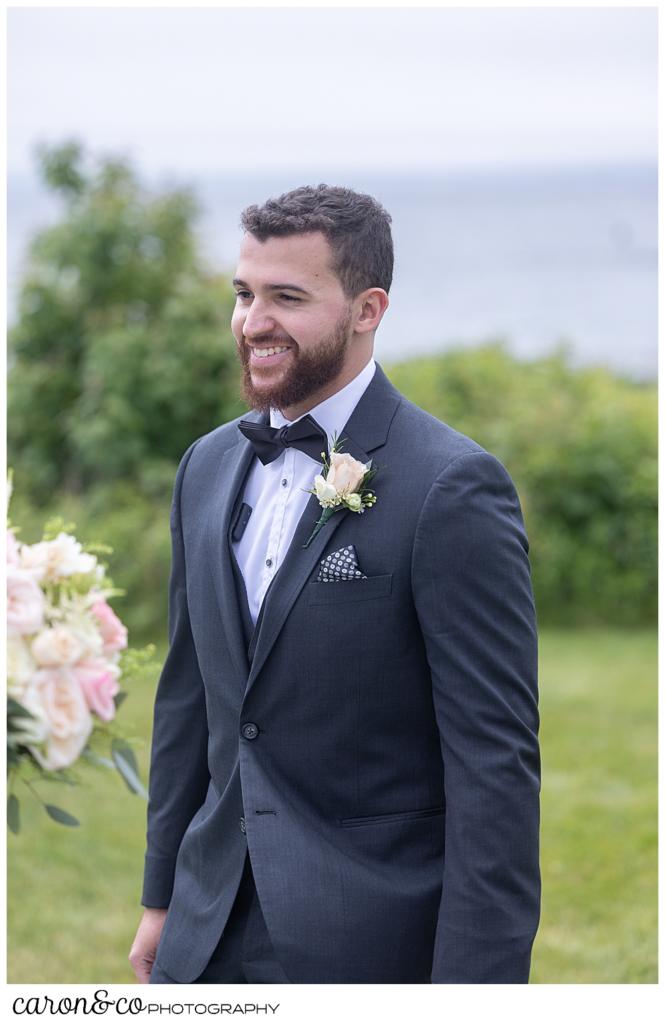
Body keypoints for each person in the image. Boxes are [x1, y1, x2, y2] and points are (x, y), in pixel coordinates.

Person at [128, 184, 540, 985]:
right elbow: (189, 700)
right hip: (205, 933)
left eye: (287, 297)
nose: (252, 322)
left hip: (369, 941)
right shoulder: (205, 467)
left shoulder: (450, 487)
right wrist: (162, 898)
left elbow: (495, 766)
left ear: (367, 308)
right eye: (243, 294)